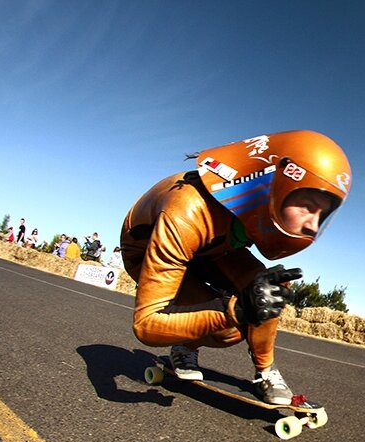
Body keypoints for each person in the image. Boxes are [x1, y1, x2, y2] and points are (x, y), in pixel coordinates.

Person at [120, 130, 351, 405]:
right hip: (147, 251)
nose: (312, 224)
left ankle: (266, 372)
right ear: (273, 181)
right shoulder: (187, 211)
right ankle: (184, 345)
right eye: (307, 205)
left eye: (321, 215)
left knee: (268, 289)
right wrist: (236, 310)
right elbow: (146, 324)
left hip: (211, 249)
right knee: (229, 327)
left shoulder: (249, 201)